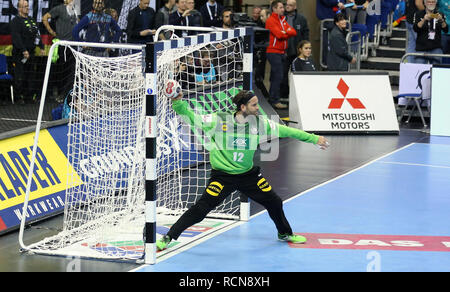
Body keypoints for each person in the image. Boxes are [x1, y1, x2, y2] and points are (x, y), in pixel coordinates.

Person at [155, 89, 330, 251]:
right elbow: (191, 117)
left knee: (274, 202)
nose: (257, 107)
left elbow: (289, 131)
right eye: (254, 105)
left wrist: (314, 139)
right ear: (243, 107)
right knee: (201, 209)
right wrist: (178, 102)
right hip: (222, 177)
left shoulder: (260, 123)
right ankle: (168, 237)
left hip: (248, 176)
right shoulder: (219, 119)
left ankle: (284, 233)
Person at [42, 0, 79, 100]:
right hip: (62, 44)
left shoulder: (76, 8)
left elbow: (78, 21)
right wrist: (52, 32)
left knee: (72, 72)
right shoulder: (59, 8)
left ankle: (67, 94)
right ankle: (58, 93)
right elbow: (45, 18)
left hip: (73, 45)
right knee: (61, 70)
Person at [10, 0, 45, 104]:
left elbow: (37, 34)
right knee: (20, 76)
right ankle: (18, 97)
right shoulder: (15, 21)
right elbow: (16, 38)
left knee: (30, 76)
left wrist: (41, 46)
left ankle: (28, 96)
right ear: (19, 8)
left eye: (27, 6)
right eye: (24, 6)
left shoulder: (31, 20)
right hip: (20, 54)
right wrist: (24, 50)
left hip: (31, 53)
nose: (27, 8)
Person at [265, 0, 297, 109]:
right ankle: (275, 100)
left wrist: (285, 33)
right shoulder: (271, 20)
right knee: (278, 76)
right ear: (274, 9)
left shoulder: (282, 20)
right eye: (280, 7)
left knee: (276, 76)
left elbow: (293, 32)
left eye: (283, 7)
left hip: (282, 52)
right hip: (273, 52)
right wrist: (285, 32)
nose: (283, 9)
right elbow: (279, 34)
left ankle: (272, 98)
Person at [280, 0, 310, 103]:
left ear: (295, 6)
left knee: (298, 75)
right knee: (283, 74)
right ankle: (283, 96)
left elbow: (306, 34)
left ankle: (299, 95)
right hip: (284, 51)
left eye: (290, 5)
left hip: (297, 51)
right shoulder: (281, 18)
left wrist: (305, 49)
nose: (287, 7)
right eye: (286, 5)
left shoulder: (301, 19)